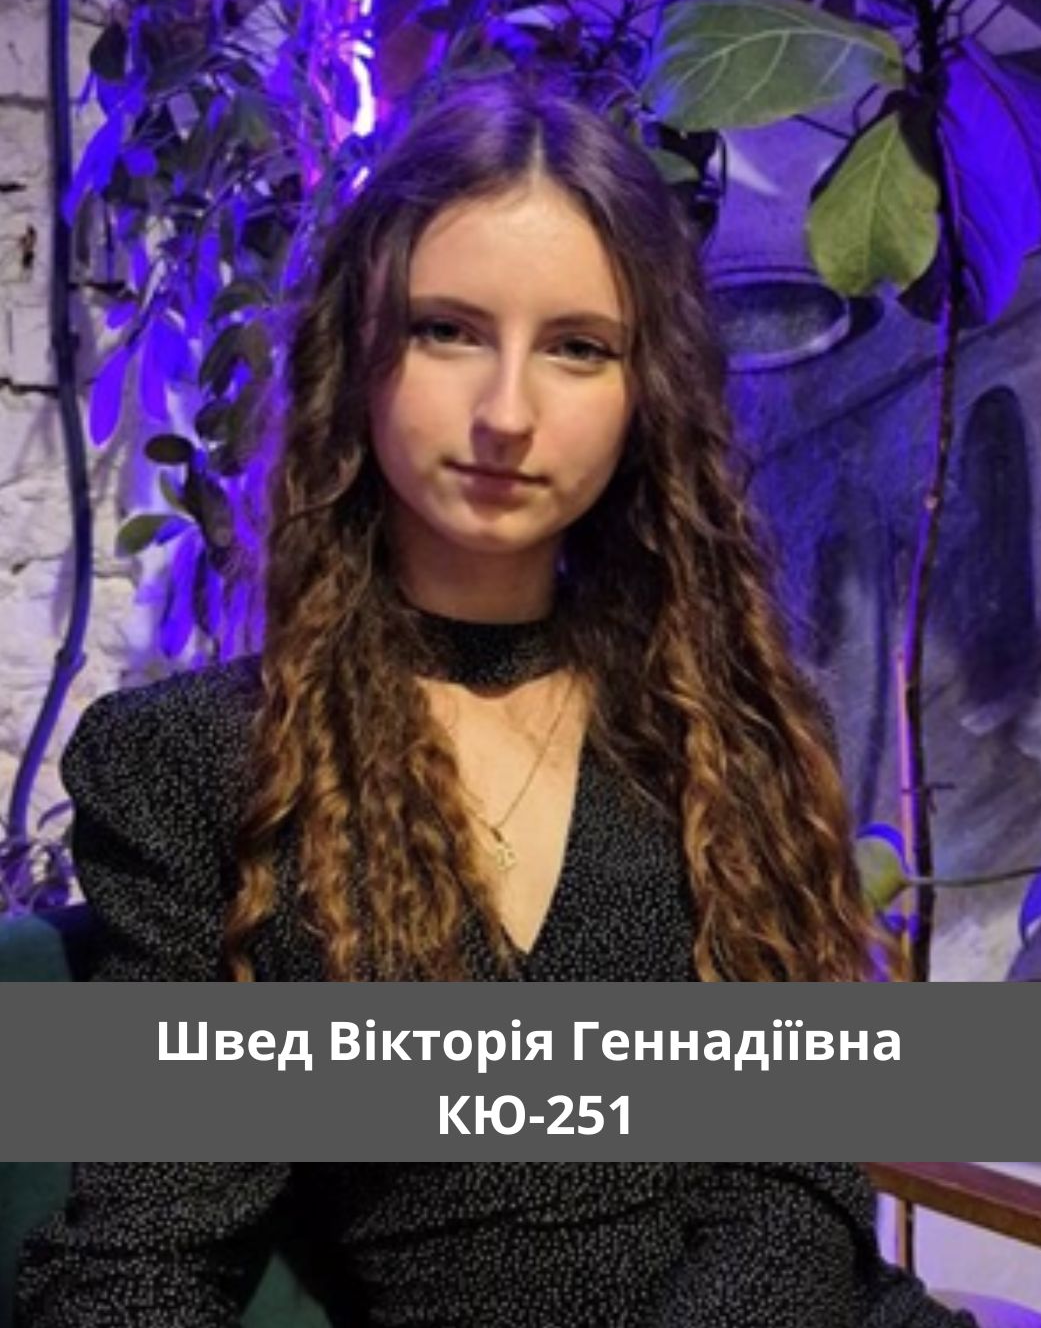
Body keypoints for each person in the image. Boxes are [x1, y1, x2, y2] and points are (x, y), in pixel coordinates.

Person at [16, 77, 974, 1327]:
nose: (508, 414)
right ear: (359, 356)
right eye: (448, 330)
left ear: (646, 393)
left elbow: (793, 1195)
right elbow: (143, 1256)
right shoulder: (203, 763)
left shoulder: (724, 729)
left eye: (579, 347)